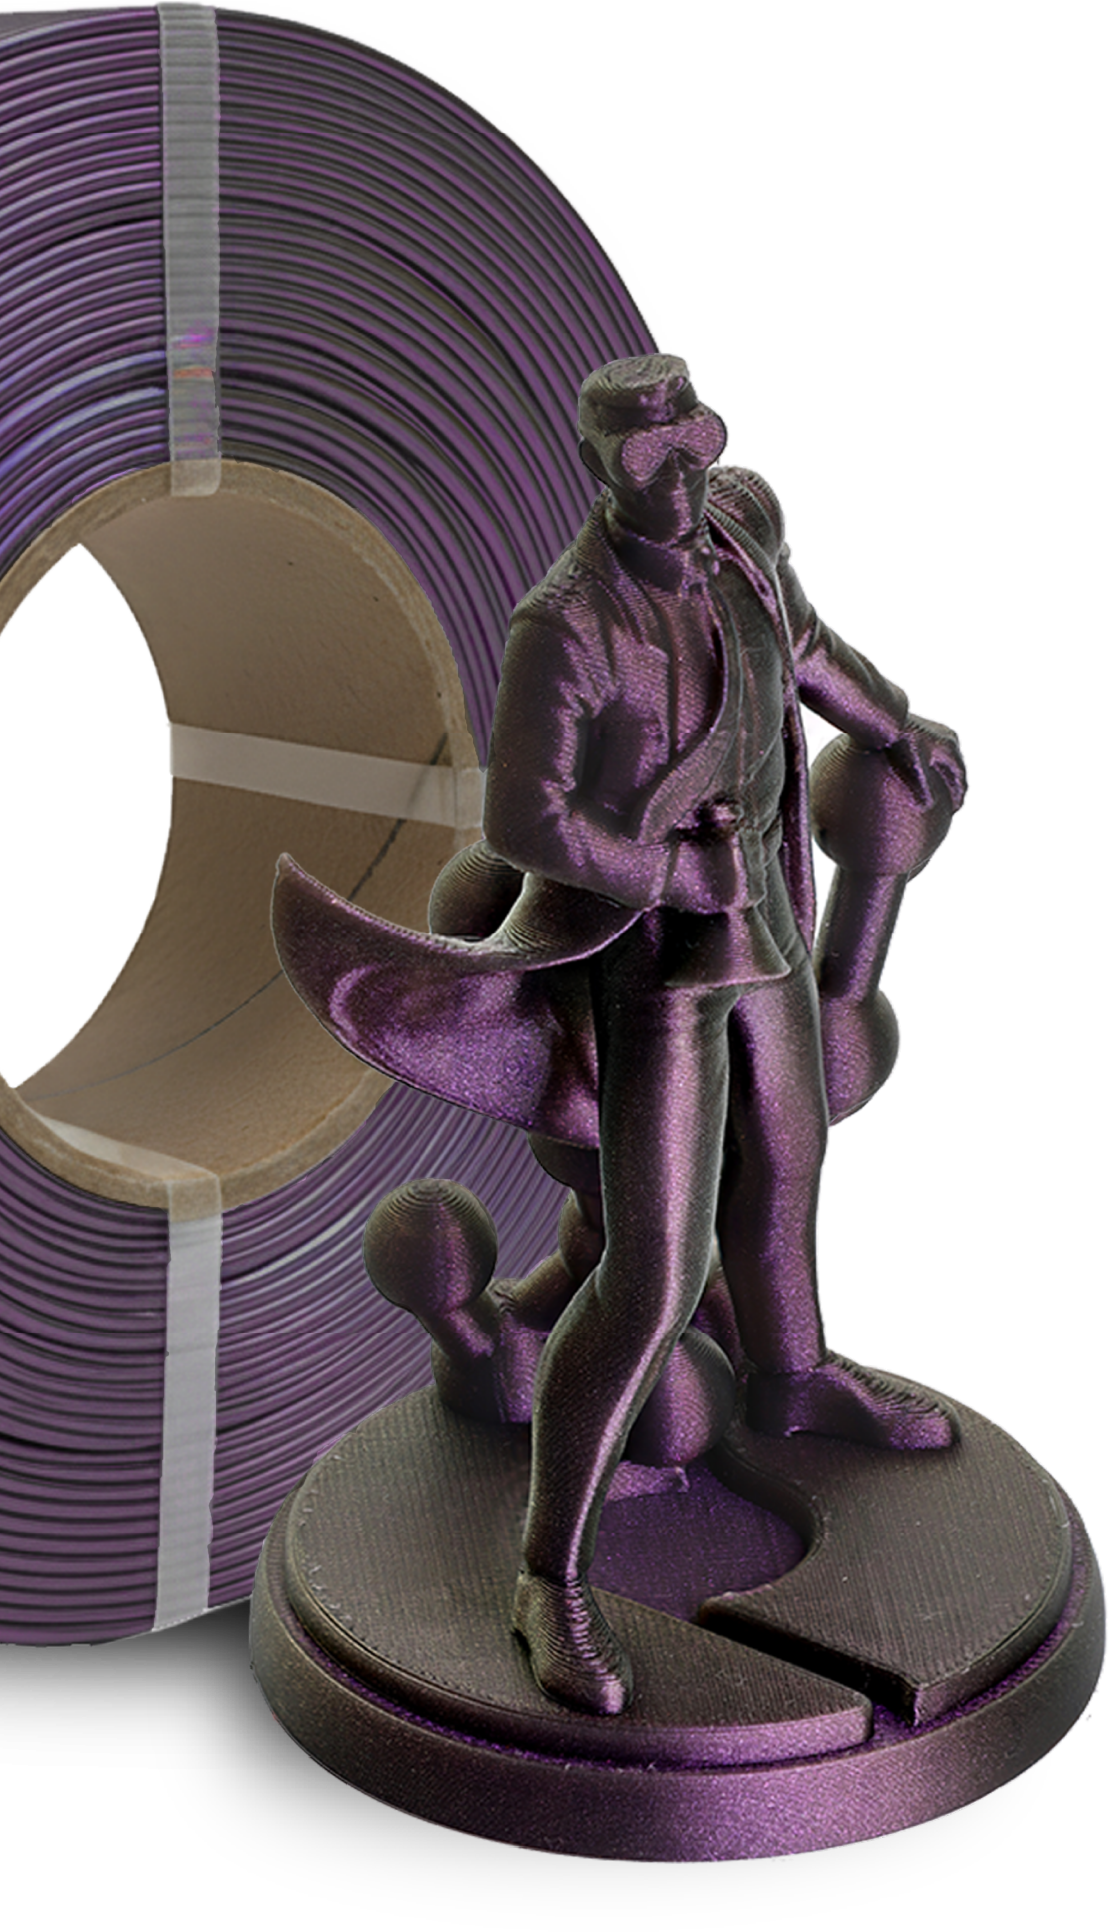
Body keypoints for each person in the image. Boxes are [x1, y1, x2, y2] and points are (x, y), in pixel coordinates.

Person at [477, 354, 969, 1715]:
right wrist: (660, 873)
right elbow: (521, 817)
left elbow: (804, 651)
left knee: (792, 1164)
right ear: (602, 469)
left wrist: (895, 724)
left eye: (693, 448)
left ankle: (793, 1377)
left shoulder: (743, 532)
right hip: (654, 968)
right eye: (654, 463)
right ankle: (548, 1578)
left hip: (763, 929)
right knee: (650, 1275)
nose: (683, 479)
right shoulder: (566, 625)